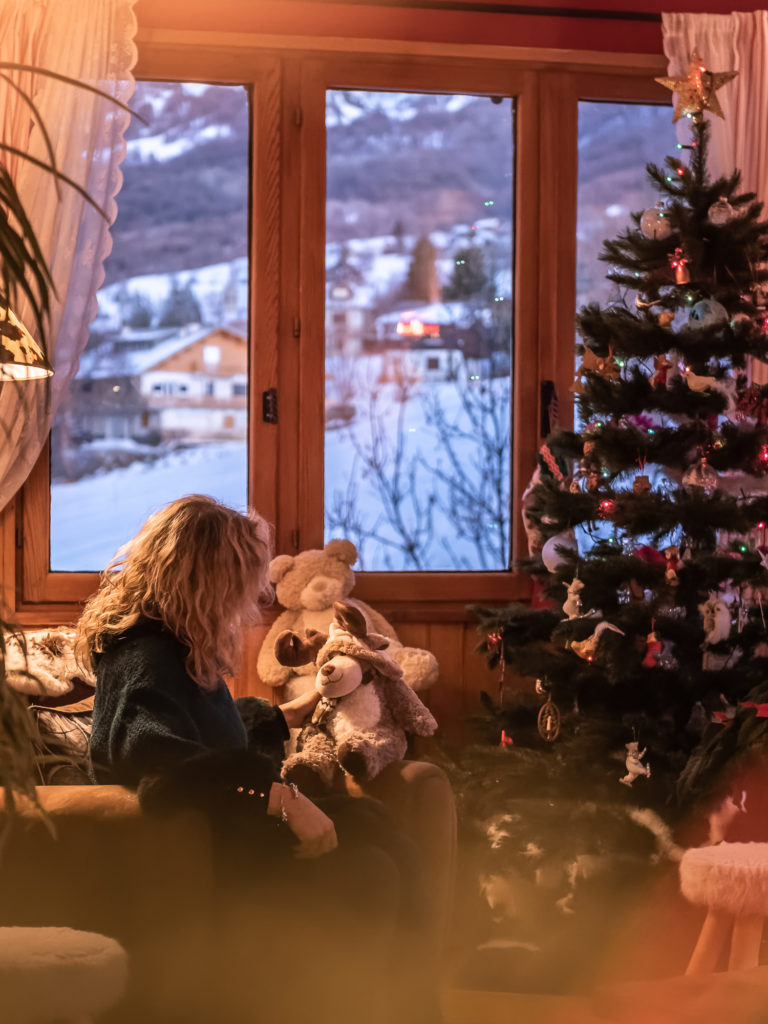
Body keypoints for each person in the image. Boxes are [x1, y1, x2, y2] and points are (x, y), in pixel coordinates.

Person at [76, 495, 438, 1024]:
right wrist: (280, 800)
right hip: (204, 851)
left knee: (393, 843)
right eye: (244, 578)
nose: (257, 594)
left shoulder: (175, 644)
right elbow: (162, 769)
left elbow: (201, 737)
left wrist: (284, 715)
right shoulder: (144, 654)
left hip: (228, 827)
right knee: (370, 872)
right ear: (208, 579)